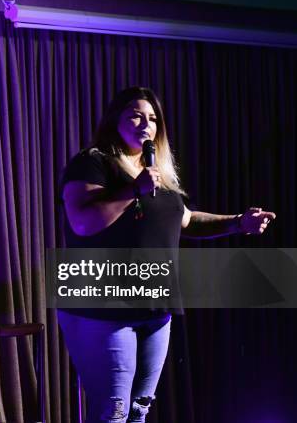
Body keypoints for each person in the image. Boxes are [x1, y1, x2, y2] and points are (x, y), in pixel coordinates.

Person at [58, 86, 276, 423]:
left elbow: (186, 221)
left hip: (155, 306)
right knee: (112, 411)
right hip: (103, 305)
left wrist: (237, 223)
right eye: (135, 114)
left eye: (153, 118)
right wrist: (134, 190)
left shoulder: (157, 171)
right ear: (115, 119)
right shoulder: (93, 162)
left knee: (139, 409)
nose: (145, 123)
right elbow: (83, 222)